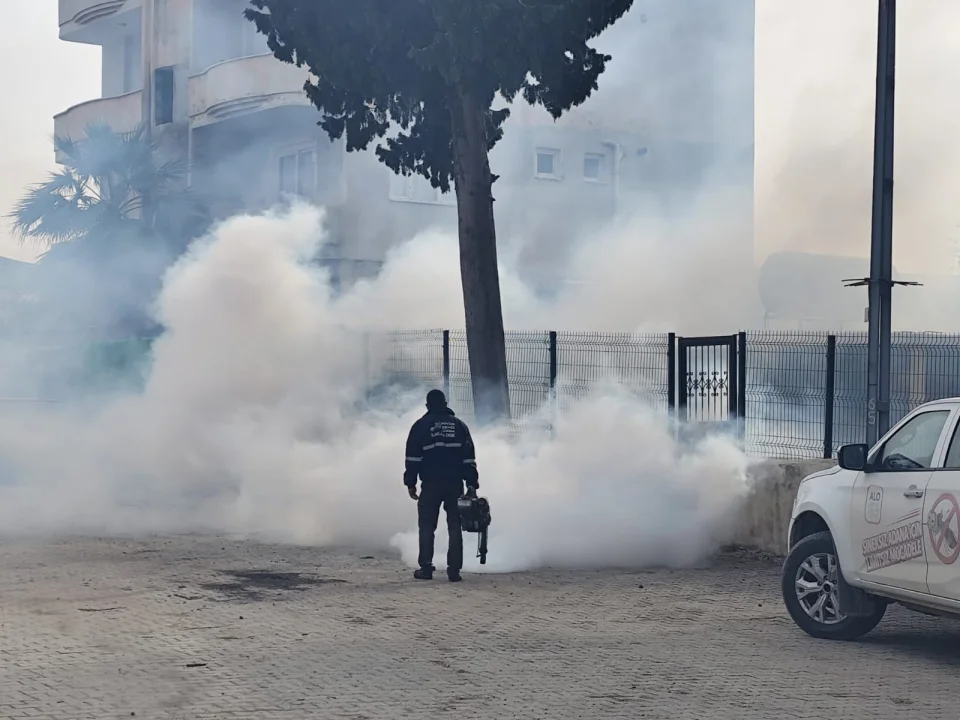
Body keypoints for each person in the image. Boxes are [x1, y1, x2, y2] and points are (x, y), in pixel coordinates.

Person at [403, 389, 479, 582]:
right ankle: (454, 570)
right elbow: (469, 458)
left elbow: (412, 458)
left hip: (430, 484)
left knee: (427, 526)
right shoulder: (460, 426)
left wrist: (410, 483)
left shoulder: (420, 426)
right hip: (455, 484)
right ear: (446, 403)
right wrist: (472, 484)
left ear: (427, 406)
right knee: (455, 525)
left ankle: (426, 569)